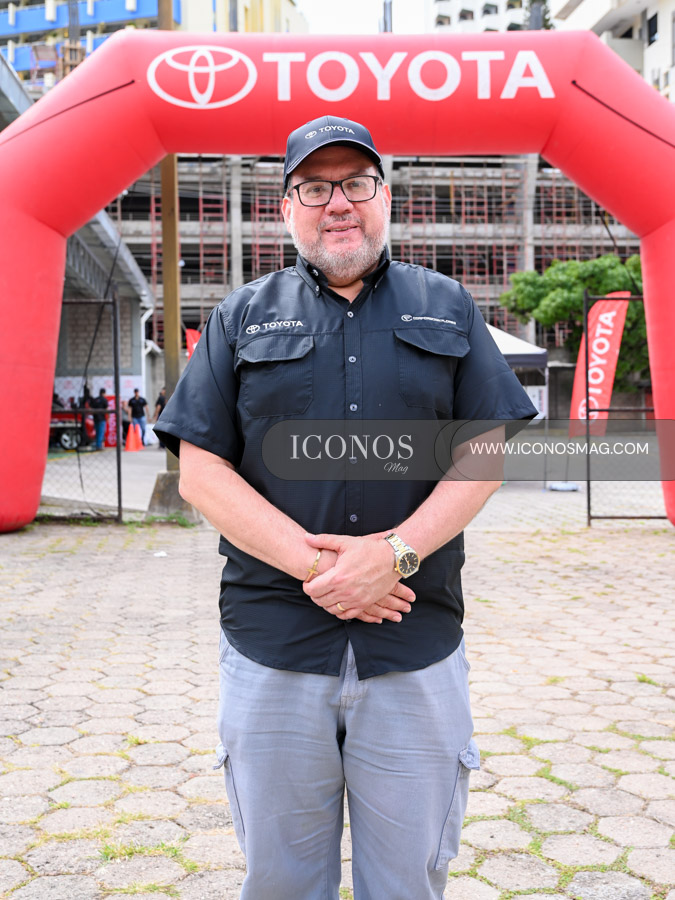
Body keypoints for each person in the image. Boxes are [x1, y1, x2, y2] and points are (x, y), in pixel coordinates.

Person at [155, 115, 537, 900]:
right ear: (286, 207)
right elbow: (201, 471)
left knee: (407, 882)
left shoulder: (449, 307)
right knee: (281, 883)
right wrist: (323, 569)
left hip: (414, 639)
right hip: (273, 643)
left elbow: (484, 455)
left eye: (356, 184)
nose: (338, 203)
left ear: (383, 197)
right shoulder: (240, 318)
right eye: (315, 187)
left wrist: (389, 557)